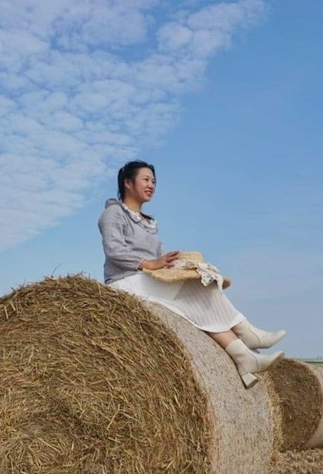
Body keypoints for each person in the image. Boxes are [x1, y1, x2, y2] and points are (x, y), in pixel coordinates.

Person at [98, 160, 286, 388]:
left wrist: (171, 264)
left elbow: (157, 257)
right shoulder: (113, 213)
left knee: (200, 295)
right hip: (124, 282)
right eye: (146, 179)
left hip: (146, 279)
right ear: (128, 182)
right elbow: (114, 251)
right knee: (198, 289)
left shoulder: (149, 223)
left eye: (154, 181)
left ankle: (243, 355)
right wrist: (151, 263)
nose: (152, 185)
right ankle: (247, 334)